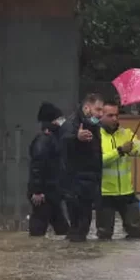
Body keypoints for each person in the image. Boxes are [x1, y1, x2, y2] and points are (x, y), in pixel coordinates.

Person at [96, 100, 140, 240]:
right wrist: (120, 151)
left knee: (135, 232)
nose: (115, 118)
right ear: (101, 116)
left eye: (116, 115)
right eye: (110, 115)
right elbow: (97, 161)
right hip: (105, 193)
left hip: (126, 192)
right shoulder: (96, 136)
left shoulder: (126, 134)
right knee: (104, 235)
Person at [57, 93, 105, 242]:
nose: (100, 113)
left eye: (102, 110)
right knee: (78, 228)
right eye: (98, 109)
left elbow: (96, 156)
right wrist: (76, 138)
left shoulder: (94, 126)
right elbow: (63, 142)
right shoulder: (72, 124)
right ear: (86, 108)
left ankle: (77, 259)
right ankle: (72, 260)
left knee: (82, 228)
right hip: (74, 185)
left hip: (88, 185)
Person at [27, 101, 70, 237]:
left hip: (53, 192)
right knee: (38, 228)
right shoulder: (43, 141)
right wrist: (37, 191)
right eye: (59, 119)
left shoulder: (54, 139)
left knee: (62, 228)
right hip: (44, 194)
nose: (63, 122)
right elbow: (37, 167)